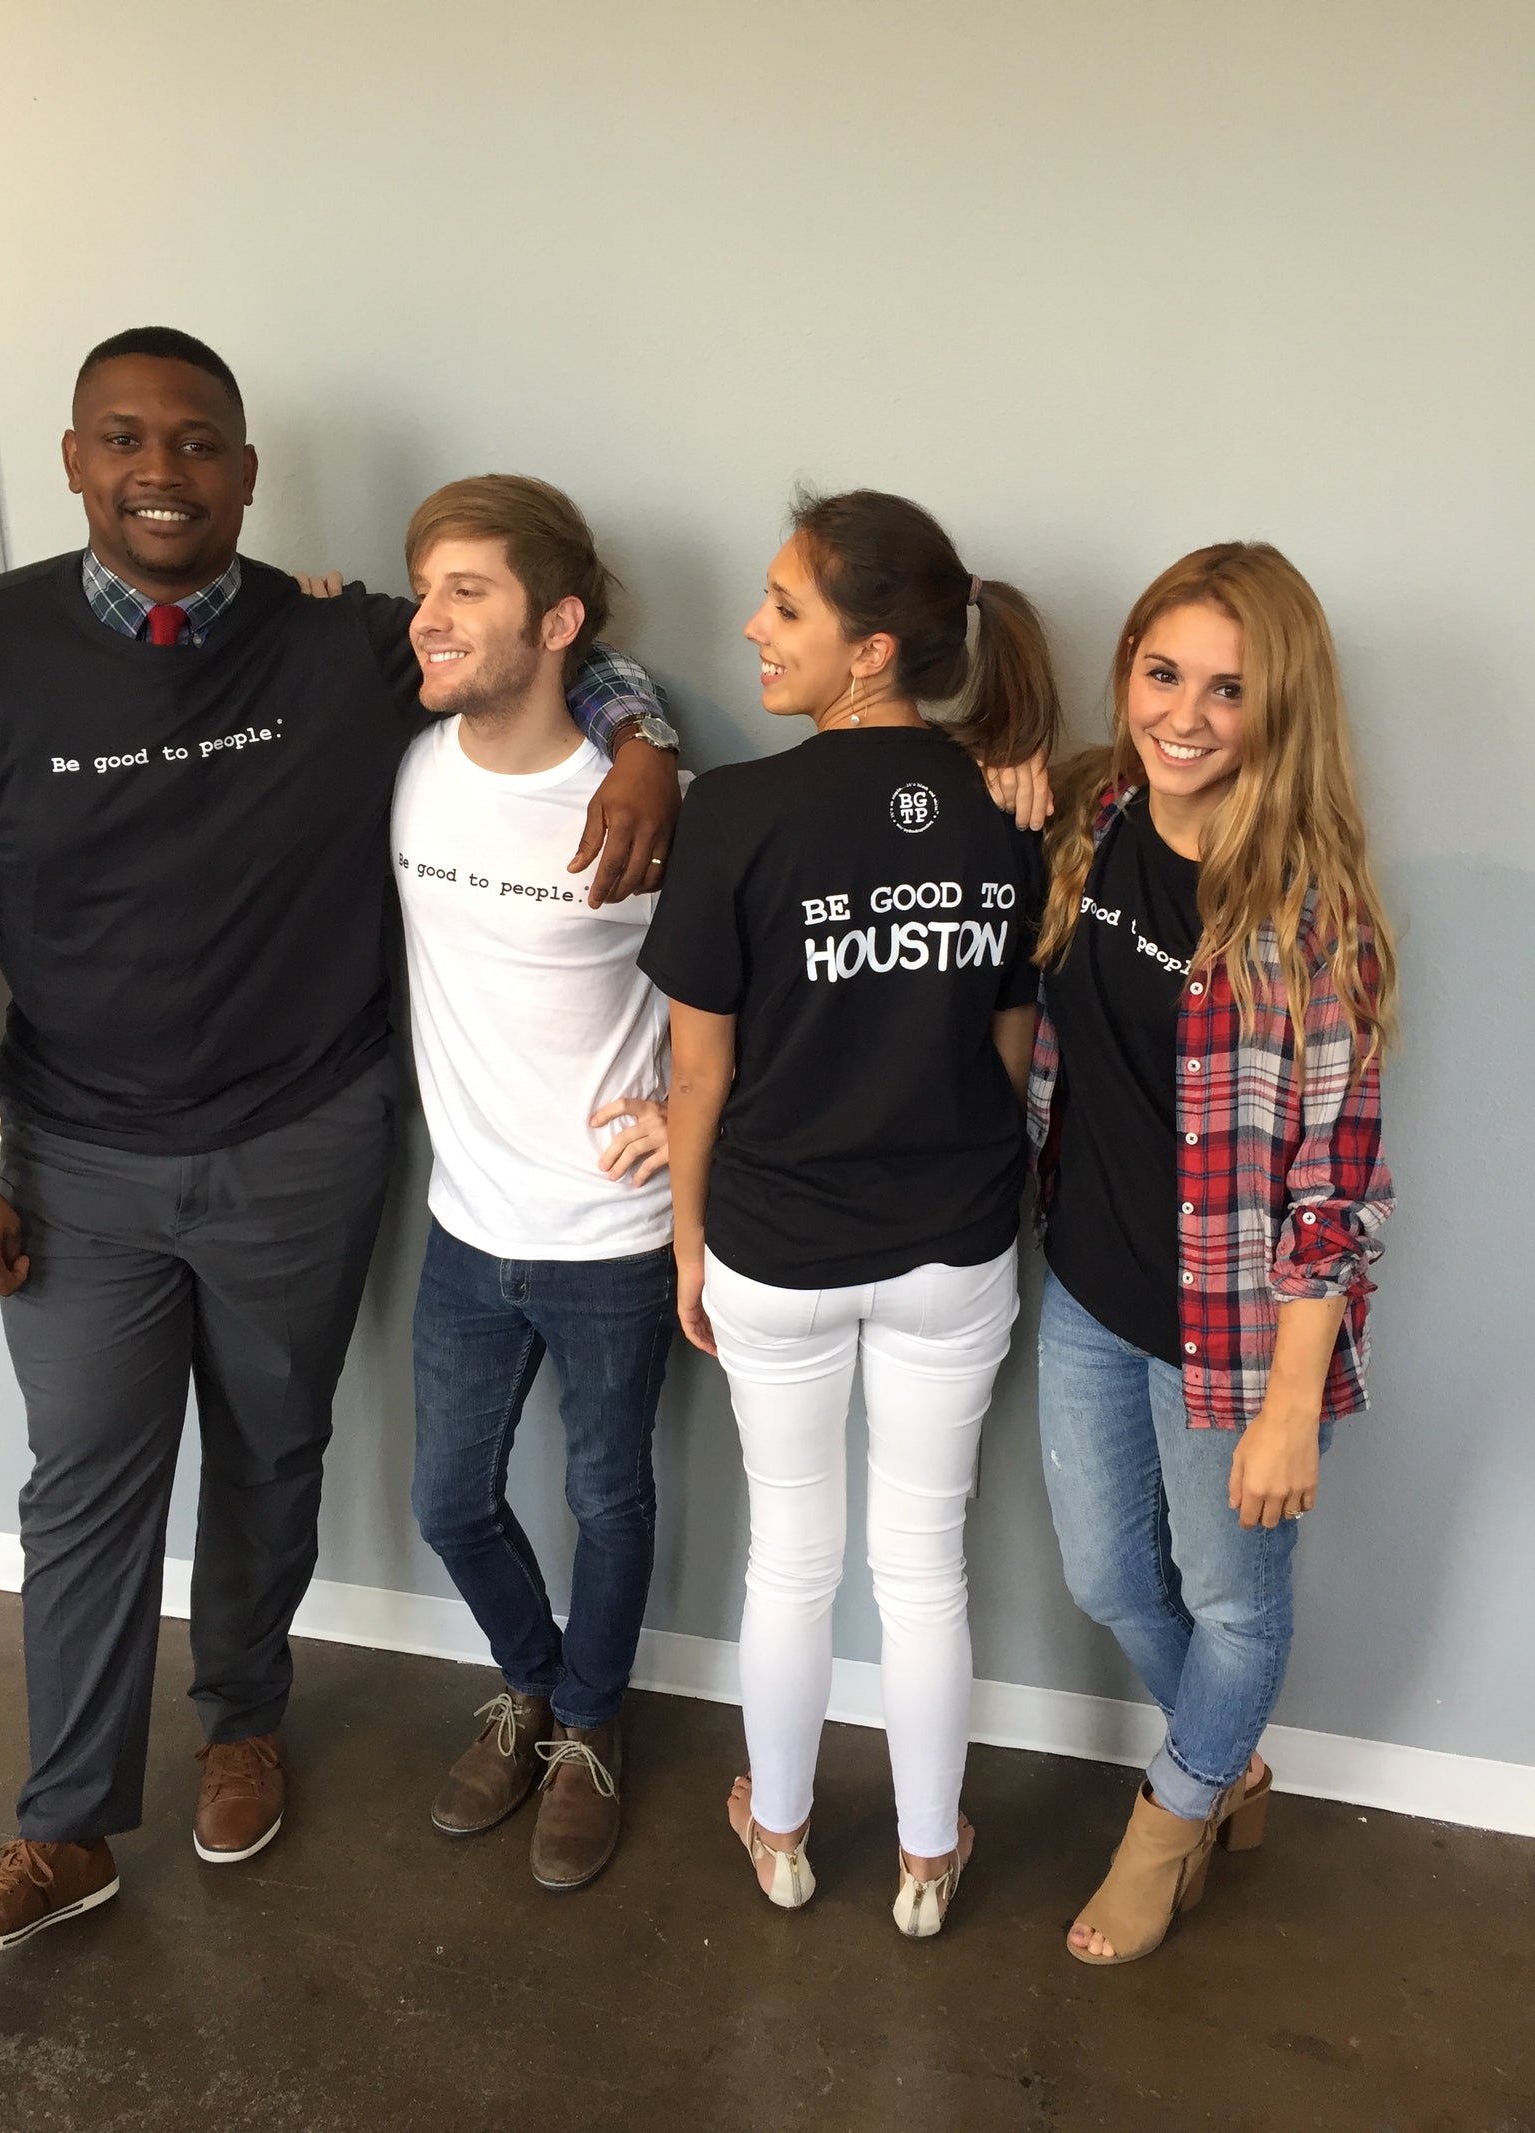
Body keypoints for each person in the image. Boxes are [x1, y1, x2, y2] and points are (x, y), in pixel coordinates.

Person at [0, 327, 681, 1958]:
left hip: (304, 1140)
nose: (159, 470)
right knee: (85, 1491)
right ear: (72, 460)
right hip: (82, 1159)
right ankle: (64, 1828)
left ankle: (244, 1721)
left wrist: (646, 742)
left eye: (197, 442)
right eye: (123, 438)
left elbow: (542, 652)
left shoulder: (339, 640)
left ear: (246, 471)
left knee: (275, 1455)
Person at [640, 489, 1057, 1937]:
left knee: (794, 1556)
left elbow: (700, 1071)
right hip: (957, 1240)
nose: (754, 628)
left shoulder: (738, 813)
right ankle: (929, 1861)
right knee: (922, 1559)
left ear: (872, 650)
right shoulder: (1010, 806)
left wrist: (688, 1244)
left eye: (788, 607)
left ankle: (785, 1831)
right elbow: (1008, 1047)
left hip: (779, 1250)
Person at [1028, 542, 1396, 1965]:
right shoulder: (1094, 810)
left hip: (1235, 1333)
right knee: (1111, 1577)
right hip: (1088, 1283)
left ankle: (1167, 1822)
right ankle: (1227, 1759)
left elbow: (1336, 1189)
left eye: (1227, 689)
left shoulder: (1314, 921)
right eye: (1161, 671)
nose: (1182, 713)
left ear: (1280, 709)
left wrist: (1294, 1402)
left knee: (1236, 1592)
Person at [394, 475, 682, 1891]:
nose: (430, 616)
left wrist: (695, 1120)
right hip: (462, 1228)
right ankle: (533, 1678)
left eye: (469, 590)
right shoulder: (399, 757)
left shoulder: (639, 800)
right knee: (447, 1497)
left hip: (615, 1236)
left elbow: (742, 994)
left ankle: (587, 1725)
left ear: (556, 619)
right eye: (423, 584)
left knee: (608, 1497)